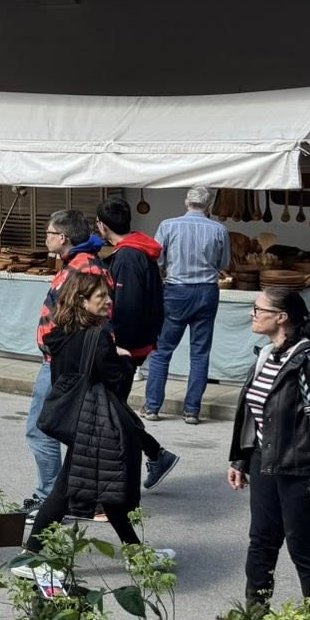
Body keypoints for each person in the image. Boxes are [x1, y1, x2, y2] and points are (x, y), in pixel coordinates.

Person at [16, 270, 147, 552]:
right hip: (93, 423)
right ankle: (30, 553)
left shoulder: (61, 335)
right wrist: (123, 360)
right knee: (64, 491)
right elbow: (118, 388)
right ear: (82, 301)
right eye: (101, 296)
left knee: (103, 490)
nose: (109, 301)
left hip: (73, 419)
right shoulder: (98, 338)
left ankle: (135, 552)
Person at [229, 286, 310, 602]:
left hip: (300, 470)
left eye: (258, 309)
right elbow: (253, 413)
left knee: (303, 549)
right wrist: (240, 459)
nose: (253, 314)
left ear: (281, 317)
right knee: (261, 543)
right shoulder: (266, 355)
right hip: (265, 462)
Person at [23, 210, 108, 512]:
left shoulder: (86, 268)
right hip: (59, 359)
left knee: (43, 427)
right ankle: (62, 496)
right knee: (56, 428)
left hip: (62, 362)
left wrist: (62, 348)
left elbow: (95, 317)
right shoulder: (77, 264)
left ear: (63, 237)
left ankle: (51, 498)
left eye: (48, 233)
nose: (45, 238)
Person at [94, 199, 181, 491]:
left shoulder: (129, 257)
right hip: (136, 343)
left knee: (110, 411)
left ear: (102, 226)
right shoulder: (135, 251)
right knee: (112, 408)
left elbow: (127, 306)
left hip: (127, 346)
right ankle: (154, 454)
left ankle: (149, 457)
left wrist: (116, 343)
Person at [145, 186, 234, 425]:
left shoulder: (167, 225)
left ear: (187, 202)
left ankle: (153, 407)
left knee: (162, 351)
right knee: (200, 352)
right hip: (207, 291)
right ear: (209, 206)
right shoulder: (219, 229)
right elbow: (224, 262)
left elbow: (157, 260)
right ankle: (192, 411)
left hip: (176, 291)